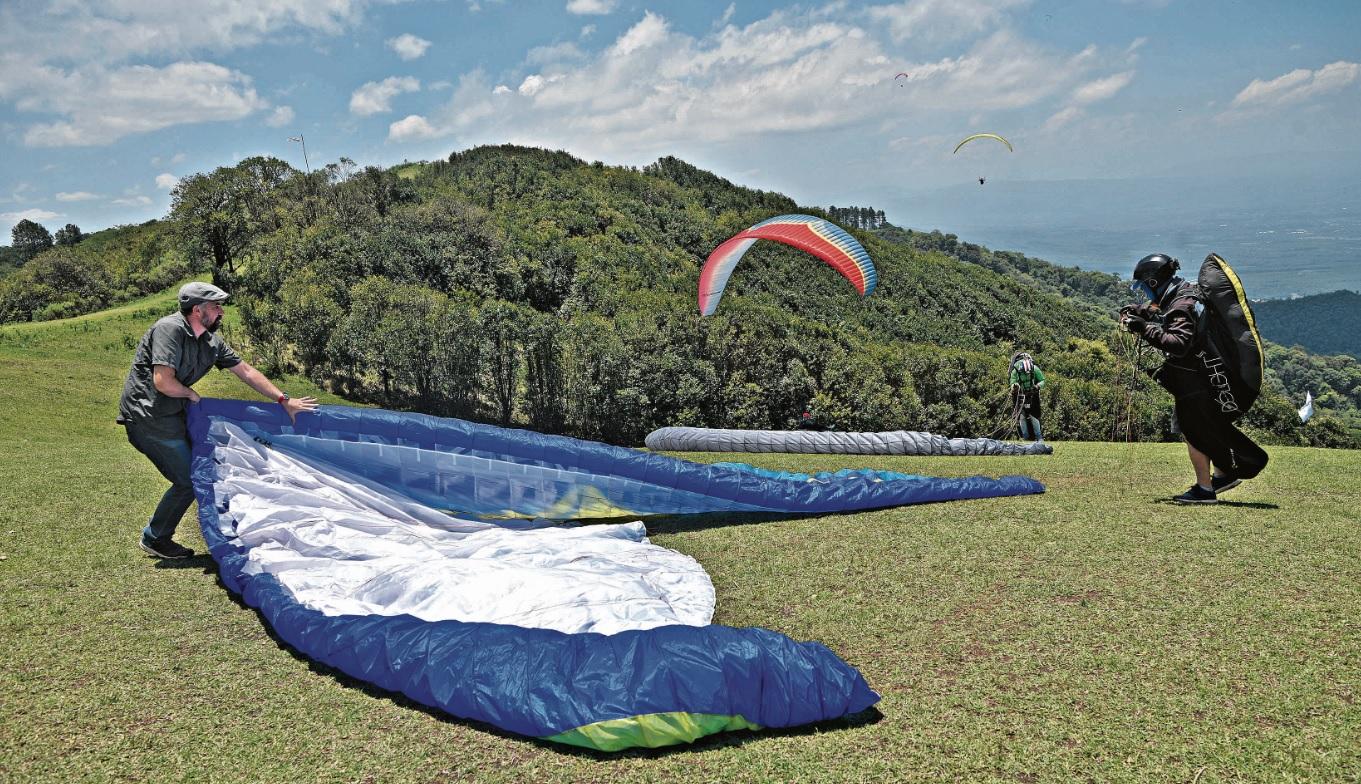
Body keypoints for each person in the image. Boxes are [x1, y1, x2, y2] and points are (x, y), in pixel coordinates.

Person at [118, 282, 318, 558]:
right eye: (216, 306)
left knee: (206, 469)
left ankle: (228, 530)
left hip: (174, 416)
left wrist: (283, 400)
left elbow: (246, 371)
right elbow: (163, 381)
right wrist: (191, 394)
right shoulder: (170, 329)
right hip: (147, 418)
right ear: (198, 310)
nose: (222, 311)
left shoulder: (212, 342)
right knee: (189, 479)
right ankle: (155, 538)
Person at [1119, 253, 1268, 504]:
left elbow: (1178, 343)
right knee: (1202, 427)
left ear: (1154, 282)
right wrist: (1138, 311)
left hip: (1197, 381)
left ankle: (1204, 489)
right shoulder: (1184, 292)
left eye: (1144, 287)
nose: (1144, 292)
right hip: (1203, 378)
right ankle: (1223, 474)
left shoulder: (1181, 305)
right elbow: (1159, 309)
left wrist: (1144, 328)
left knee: (1192, 429)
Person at [1009, 352, 1045, 442]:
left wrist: (1037, 386)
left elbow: (1042, 380)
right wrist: (1015, 386)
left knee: (1034, 416)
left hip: (1033, 394)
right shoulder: (1015, 371)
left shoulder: (1034, 368)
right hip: (1020, 395)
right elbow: (1012, 382)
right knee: (1022, 416)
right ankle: (1025, 436)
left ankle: (1038, 436)